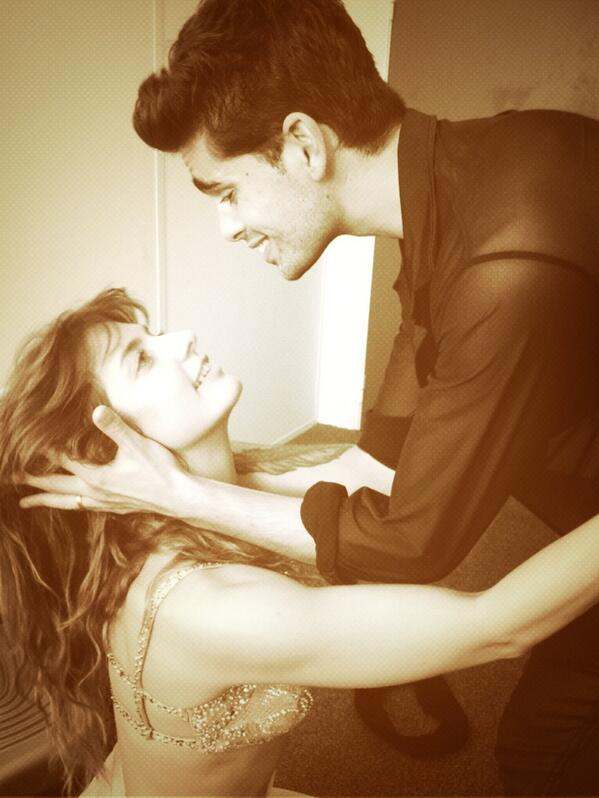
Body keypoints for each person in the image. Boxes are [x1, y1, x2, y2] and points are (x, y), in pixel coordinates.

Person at [24, 0, 599, 793]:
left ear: (301, 144)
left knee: (544, 750)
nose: (225, 226)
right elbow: (377, 464)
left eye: (224, 190)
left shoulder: (504, 269)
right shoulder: (477, 176)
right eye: (143, 357)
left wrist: (186, 492)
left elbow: (413, 545)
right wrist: (205, 483)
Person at [4, 287, 599, 798]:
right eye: (141, 359)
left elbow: (368, 474)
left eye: (155, 334)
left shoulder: (227, 481)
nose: (183, 339)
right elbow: (499, 625)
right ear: (105, 451)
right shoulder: (214, 608)